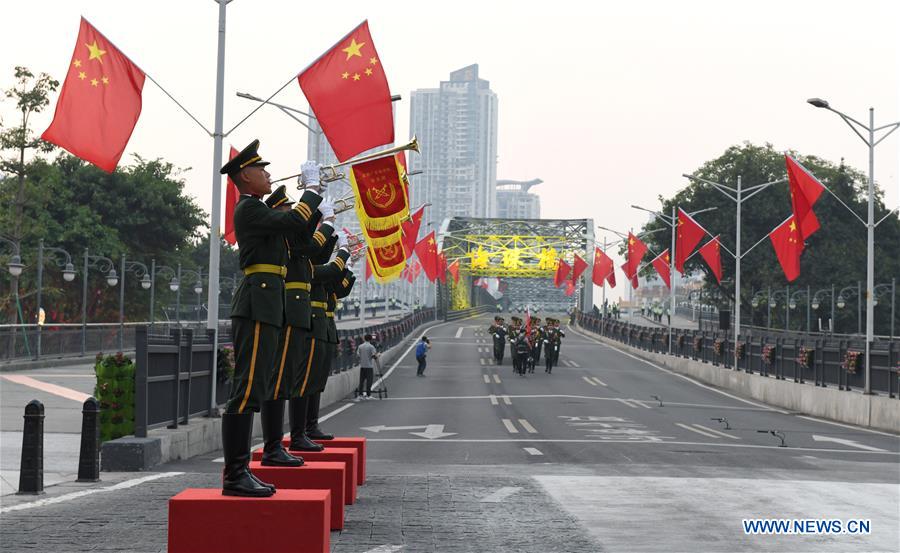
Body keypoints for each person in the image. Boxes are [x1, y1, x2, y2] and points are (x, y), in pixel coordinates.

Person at [219, 140, 323, 497]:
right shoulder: (248, 209)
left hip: (268, 303)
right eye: (261, 170)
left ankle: (242, 470)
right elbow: (294, 219)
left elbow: (300, 234)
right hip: (257, 303)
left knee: (258, 386)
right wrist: (310, 191)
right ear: (245, 176)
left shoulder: (259, 211)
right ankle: (235, 474)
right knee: (247, 387)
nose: (267, 174)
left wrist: (315, 197)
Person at [356, 334, 379, 399]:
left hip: (362, 366)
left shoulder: (360, 346)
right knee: (369, 381)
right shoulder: (371, 347)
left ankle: (360, 395)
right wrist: (378, 355)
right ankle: (368, 395)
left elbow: (357, 355)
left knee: (361, 381)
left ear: (364, 339)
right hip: (369, 366)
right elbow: (374, 356)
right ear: (370, 339)